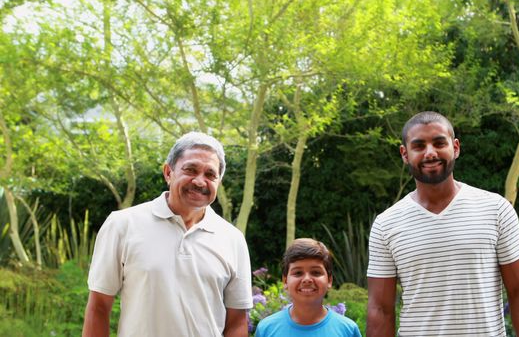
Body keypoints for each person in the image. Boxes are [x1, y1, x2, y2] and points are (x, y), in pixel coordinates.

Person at [367, 112, 519, 337]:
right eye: (419, 146)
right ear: (405, 154)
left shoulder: (496, 209)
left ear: (455, 147)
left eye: (439, 143)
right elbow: (380, 309)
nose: (430, 153)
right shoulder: (386, 224)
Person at [82, 132, 253, 337]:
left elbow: (236, 321)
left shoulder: (232, 239)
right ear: (168, 172)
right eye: (190, 170)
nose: (200, 181)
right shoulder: (123, 225)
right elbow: (99, 307)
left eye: (210, 175)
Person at [255, 238, 361, 337]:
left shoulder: (348, 330)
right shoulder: (267, 329)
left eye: (315, 272)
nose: (307, 279)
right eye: (298, 273)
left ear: (329, 280)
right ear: (285, 281)